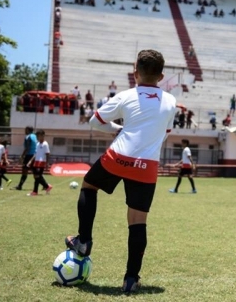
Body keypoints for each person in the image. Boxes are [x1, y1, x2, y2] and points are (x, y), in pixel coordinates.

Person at [64, 50, 177, 292]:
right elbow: (165, 133)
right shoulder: (170, 102)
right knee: (137, 221)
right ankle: (130, 280)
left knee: (89, 186)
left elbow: (95, 121)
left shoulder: (125, 96)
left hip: (118, 158)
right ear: (162, 76)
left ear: (135, 73)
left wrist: (118, 128)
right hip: (147, 166)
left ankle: (83, 241)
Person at [26, 130, 52, 196]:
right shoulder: (37, 144)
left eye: (39, 135)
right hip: (36, 162)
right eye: (37, 136)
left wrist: (47, 163)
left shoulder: (45, 144)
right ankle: (38, 190)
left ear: (43, 136)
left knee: (37, 176)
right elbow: (35, 154)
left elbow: (48, 154)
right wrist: (30, 161)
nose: (38, 137)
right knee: (36, 177)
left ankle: (45, 187)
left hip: (41, 162)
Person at [15, 126, 37, 190]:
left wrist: (22, 155)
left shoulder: (28, 137)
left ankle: (20, 186)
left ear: (27, 130)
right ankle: (44, 185)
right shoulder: (35, 136)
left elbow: (27, 148)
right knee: (35, 171)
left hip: (29, 155)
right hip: (34, 155)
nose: (25, 131)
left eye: (25, 130)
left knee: (24, 171)